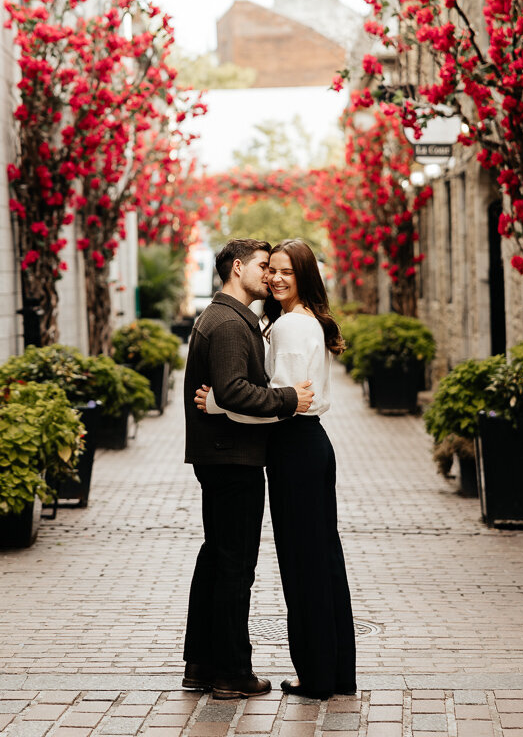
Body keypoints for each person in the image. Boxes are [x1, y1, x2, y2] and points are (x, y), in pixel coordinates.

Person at [197, 238, 356, 700]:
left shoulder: (290, 328)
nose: (277, 278)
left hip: (295, 446)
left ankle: (316, 674)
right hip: (309, 445)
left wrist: (219, 406)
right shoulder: (305, 321)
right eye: (273, 271)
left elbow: (280, 404)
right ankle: (333, 671)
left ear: (305, 275)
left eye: (287, 271)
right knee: (321, 557)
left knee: (303, 562)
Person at [182, 238, 314, 701]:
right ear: (237, 268)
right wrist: (288, 399)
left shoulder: (225, 318)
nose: (270, 274)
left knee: (216, 559)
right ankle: (232, 673)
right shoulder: (229, 323)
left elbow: (226, 392)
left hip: (221, 454)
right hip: (231, 456)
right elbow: (236, 390)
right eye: (263, 265)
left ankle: (200, 663)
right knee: (236, 568)